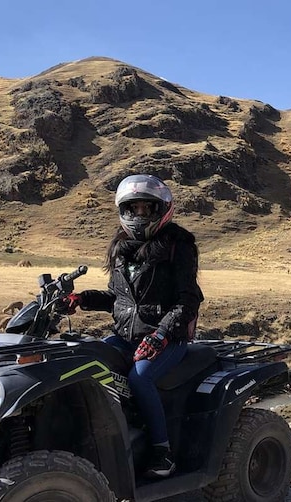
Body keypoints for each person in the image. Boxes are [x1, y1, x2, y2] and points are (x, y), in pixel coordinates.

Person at [64, 174, 203, 478]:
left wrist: (161, 335)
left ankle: (161, 452)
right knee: (88, 362)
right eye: (133, 208)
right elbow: (117, 299)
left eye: (147, 208)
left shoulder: (178, 245)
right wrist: (81, 299)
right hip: (124, 337)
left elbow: (188, 302)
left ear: (161, 209)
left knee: (140, 379)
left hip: (169, 339)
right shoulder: (120, 249)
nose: (140, 215)